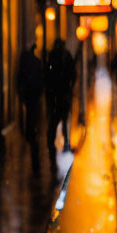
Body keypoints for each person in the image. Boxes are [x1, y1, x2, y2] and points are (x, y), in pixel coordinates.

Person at [46, 38, 76, 176]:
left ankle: (52, 151)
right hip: (62, 95)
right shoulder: (66, 56)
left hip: (54, 96)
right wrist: (69, 87)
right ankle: (66, 144)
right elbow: (73, 74)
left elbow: (46, 76)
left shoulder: (51, 57)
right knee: (63, 120)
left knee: (53, 123)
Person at [17, 43, 44, 175]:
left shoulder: (25, 64)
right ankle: (33, 140)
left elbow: (20, 81)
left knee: (30, 124)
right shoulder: (36, 63)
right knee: (33, 125)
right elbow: (41, 80)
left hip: (29, 98)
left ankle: (32, 138)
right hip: (33, 98)